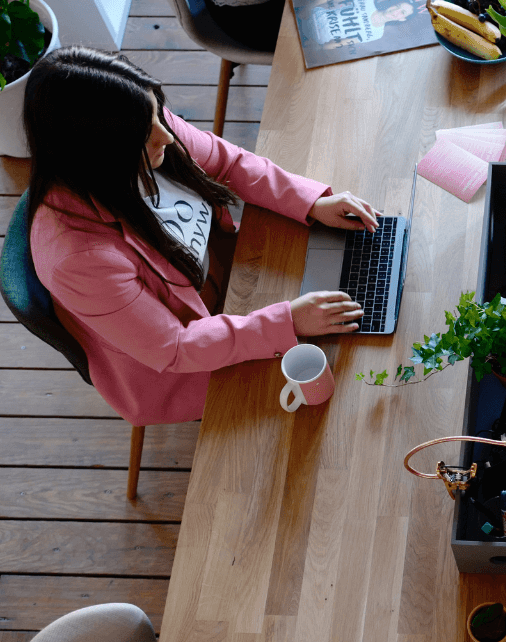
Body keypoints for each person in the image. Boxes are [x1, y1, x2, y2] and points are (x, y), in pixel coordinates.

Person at [24, 46, 381, 426]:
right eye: (148, 134)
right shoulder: (77, 260)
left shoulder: (140, 126)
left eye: (158, 114)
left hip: (232, 281)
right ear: (99, 155)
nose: (168, 135)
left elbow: (228, 162)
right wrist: (286, 322)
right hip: (184, 363)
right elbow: (175, 347)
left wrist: (311, 203)